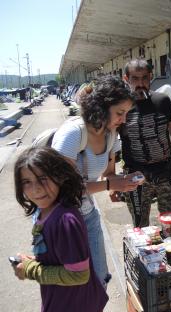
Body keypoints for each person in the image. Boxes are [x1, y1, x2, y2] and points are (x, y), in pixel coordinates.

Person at [51, 75, 144, 287]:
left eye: (127, 113)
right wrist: (111, 185)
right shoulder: (72, 135)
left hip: (88, 214)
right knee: (71, 286)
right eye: (120, 113)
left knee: (99, 281)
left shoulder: (111, 135)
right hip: (60, 220)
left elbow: (109, 175)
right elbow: (62, 190)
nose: (123, 119)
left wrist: (125, 180)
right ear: (100, 107)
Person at [12, 147, 108, 312]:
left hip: (74, 309)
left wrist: (31, 270)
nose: (36, 189)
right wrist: (33, 261)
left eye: (43, 179)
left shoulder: (65, 221)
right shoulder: (45, 212)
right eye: (27, 181)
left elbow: (78, 274)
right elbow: (62, 258)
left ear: (60, 177)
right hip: (68, 303)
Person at [119, 58, 171, 228]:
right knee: (140, 226)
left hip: (166, 171)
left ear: (150, 77)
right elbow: (110, 138)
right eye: (135, 79)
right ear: (126, 79)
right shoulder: (120, 107)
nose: (140, 84)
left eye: (144, 78)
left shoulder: (162, 101)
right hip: (136, 175)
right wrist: (111, 177)